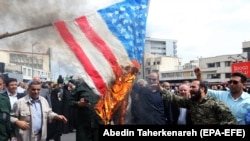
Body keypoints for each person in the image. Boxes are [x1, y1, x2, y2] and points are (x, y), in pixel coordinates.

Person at [161, 80, 237, 125]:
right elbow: (174, 98)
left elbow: (231, 122)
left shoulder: (216, 104)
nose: (190, 89)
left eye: (193, 87)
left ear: (202, 89)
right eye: (190, 87)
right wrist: (159, 88)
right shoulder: (191, 102)